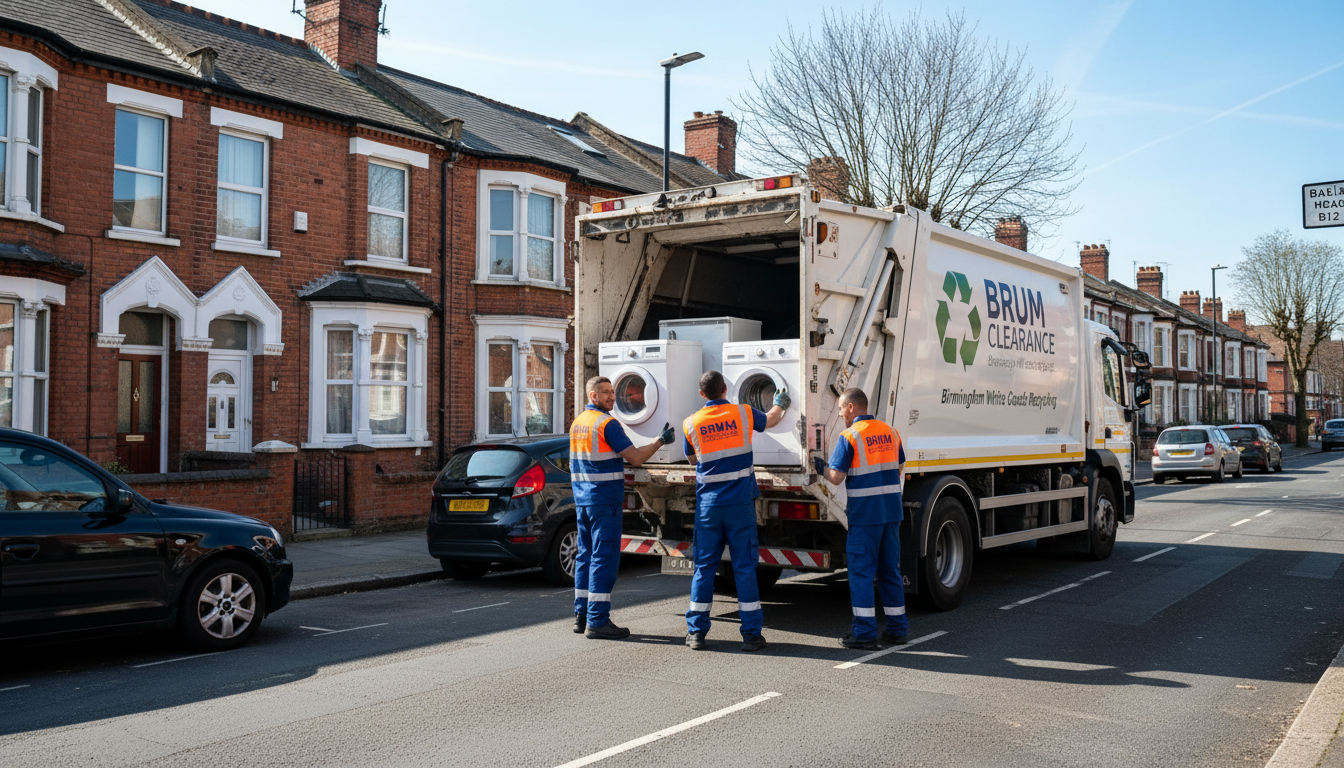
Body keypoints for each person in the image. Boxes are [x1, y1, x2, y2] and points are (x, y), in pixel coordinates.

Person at [682, 370, 789, 652]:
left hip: (708, 507)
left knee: (704, 569)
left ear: (701, 394)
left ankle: (696, 633)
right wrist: (780, 403)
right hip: (740, 505)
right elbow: (772, 419)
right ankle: (751, 635)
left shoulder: (690, 423)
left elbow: (692, 458)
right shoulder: (743, 413)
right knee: (744, 568)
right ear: (725, 389)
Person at [570, 376, 674, 639]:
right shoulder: (607, 424)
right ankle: (597, 621)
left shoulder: (579, 422)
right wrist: (660, 441)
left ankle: (582, 616)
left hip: (583, 499)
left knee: (585, 556)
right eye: (605, 392)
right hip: (604, 500)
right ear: (592, 396)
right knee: (603, 559)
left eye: (613, 392)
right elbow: (636, 458)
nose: (612, 397)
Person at [815, 387, 908, 650]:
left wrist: (820, 467)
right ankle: (897, 629)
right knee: (890, 572)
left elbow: (836, 477)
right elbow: (900, 466)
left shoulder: (850, 436)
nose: (840, 414)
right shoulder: (891, 432)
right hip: (891, 513)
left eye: (841, 408)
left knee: (862, 574)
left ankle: (865, 633)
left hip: (866, 517)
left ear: (852, 407)